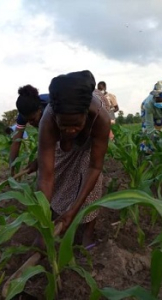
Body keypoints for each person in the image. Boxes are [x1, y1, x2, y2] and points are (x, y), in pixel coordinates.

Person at [37, 70, 110, 247]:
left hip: (91, 140)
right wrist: (42, 226)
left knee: (91, 179)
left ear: (86, 114)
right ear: (56, 118)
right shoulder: (48, 120)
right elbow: (46, 177)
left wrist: (73, 210)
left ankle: (88, 234)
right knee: (60, 172)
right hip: (65, 139)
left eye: (76, 124)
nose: (70, 130)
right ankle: (53, 219)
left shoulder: (100, 117)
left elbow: (95, 167)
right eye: (64, 125)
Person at [9, 85, 49, 176]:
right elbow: (16, 142)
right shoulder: (23, 115)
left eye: (33, 119)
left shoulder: (51, 109)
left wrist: (38, 161)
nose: (30, 123)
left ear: (39, 110)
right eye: (27, 120)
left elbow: (56, 143)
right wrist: (12, 166)